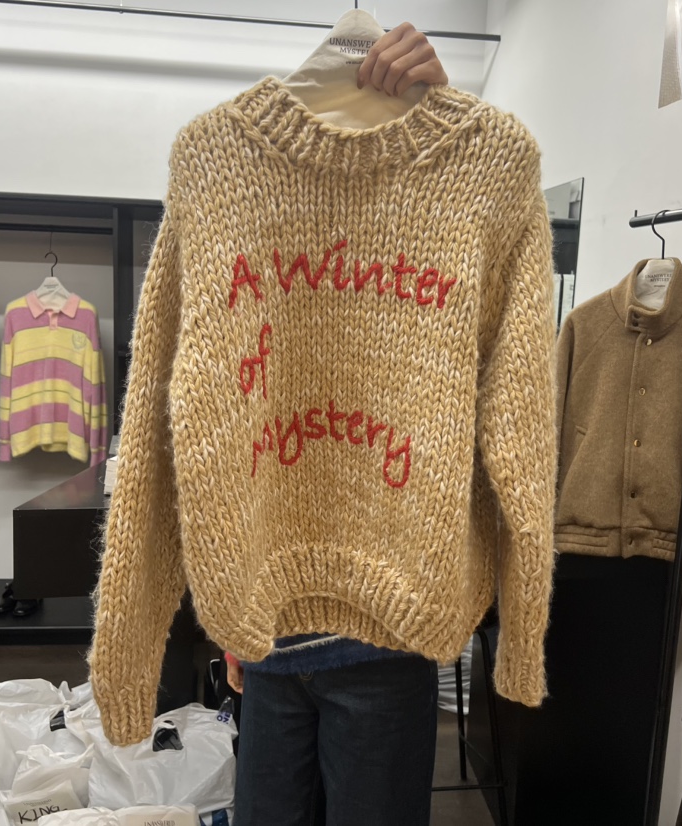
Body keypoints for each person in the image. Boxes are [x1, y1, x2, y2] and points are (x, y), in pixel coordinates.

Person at [225, 24, 450, 826]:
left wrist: (444, 115)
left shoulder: (445, 197)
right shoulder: (238, 188)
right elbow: (226, 423)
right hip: (272, 629)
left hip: (386, 630)